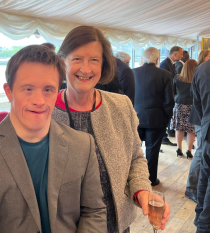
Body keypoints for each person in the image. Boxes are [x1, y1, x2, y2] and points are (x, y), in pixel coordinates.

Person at [0, 45, 107, 233]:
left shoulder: (83, 145)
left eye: (48, 89)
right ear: (9, 91)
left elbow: (94, 211)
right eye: (28, 89)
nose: (39, 100)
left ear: (57, 92)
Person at [52, 26, 170, 233]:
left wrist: (142, 190)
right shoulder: (44, 110)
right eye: (77, 59)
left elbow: (135, 157)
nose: (86, 69)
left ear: (104, 64)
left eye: (94, 60)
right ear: (62, 62)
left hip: (115, 224)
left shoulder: (121, 106)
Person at [133, 47, 174, 186]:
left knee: (133, 150)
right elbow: (169, 100)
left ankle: (131, 179)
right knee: (152, 150)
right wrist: (167, 118)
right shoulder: (165, 74)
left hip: (135, 117)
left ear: (143, 58)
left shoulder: (133, 73)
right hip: (156, 118)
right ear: (157, 59)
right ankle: (150, 180)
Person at [192, 59, 210, 232]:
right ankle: (203, 226)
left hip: (206, 129)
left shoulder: (201, 68)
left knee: (205, 175)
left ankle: (200, 219)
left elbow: (197, 103)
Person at [171, 59, 198, 158]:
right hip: (193, 107)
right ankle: (189, 150)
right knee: (191, 129)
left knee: (179, 128)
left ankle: (179, 148)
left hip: (179, 105)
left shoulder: (177, 78)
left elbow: (173, 91)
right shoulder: (196, 79)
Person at [160, 46, 183, 145]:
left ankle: (169, 132)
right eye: (181, 54)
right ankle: (164, 137)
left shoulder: (171, 63)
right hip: (166, 95)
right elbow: (166, 81)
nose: (182, 56)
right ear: (175, 54)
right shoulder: (165, 64)